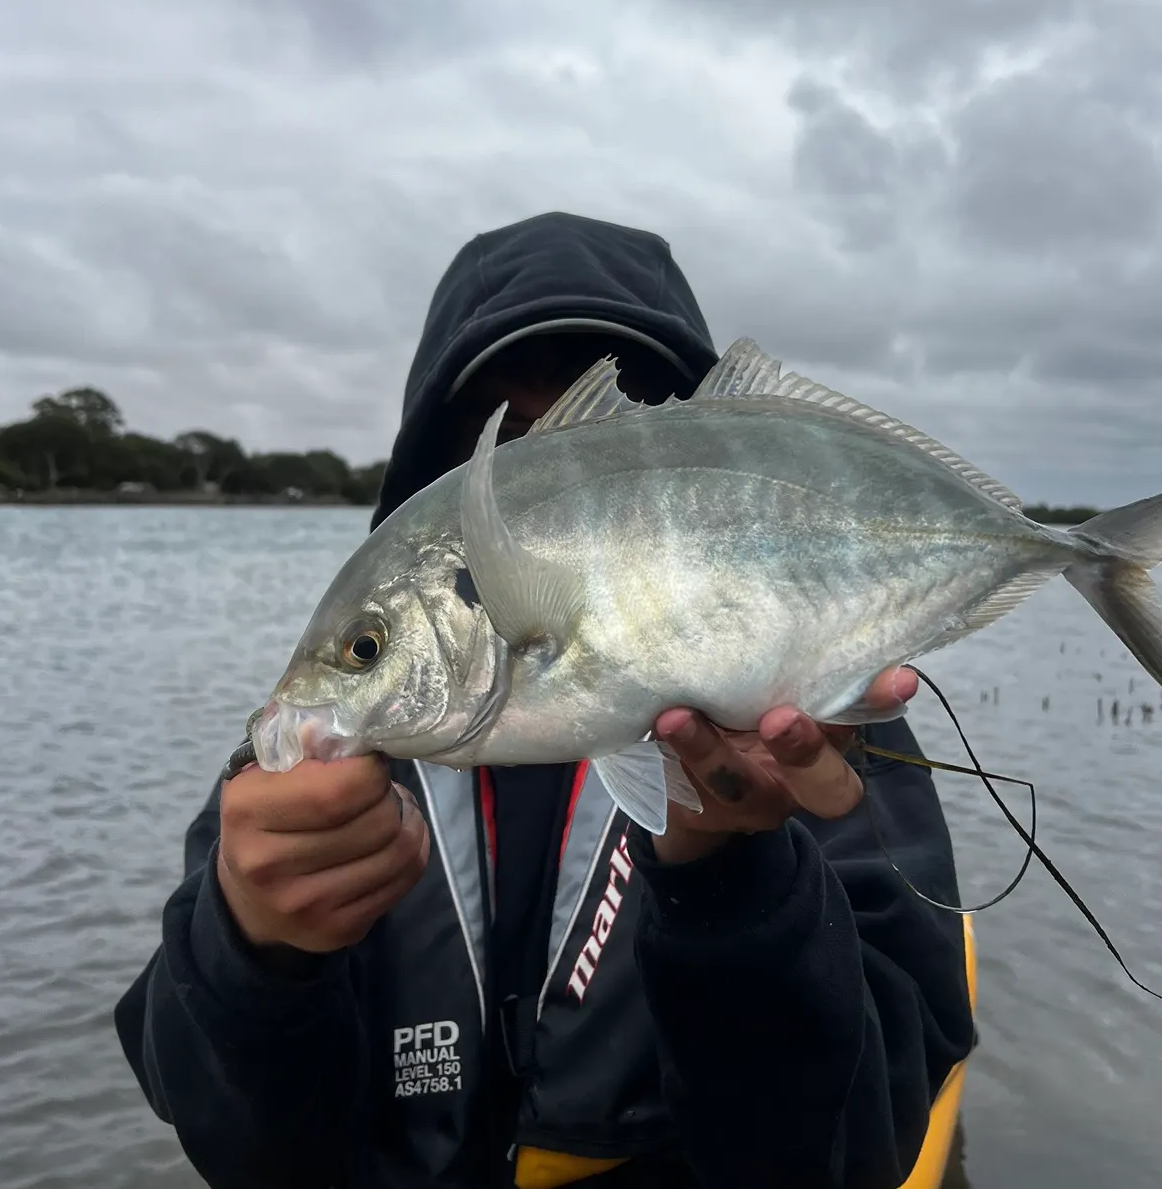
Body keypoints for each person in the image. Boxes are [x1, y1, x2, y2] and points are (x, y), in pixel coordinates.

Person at [115, 210, 976, 1189]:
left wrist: (733, 880)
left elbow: (866, 1145)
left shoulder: (812, 723)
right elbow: (248, 1149)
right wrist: (254, 950)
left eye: (617, 436)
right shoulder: (340, 747)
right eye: (502, 450)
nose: (545, 497)